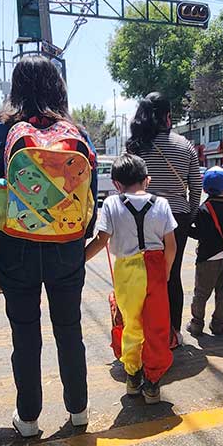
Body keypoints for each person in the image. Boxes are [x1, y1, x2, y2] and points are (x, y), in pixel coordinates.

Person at [0, 55, 97, 437]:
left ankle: (28, 419)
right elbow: (89, 199)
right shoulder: (76, 133)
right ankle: (78, 410)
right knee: (69, 328)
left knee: (24, 331)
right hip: (66, 246)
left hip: (16, 246)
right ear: (57, 87)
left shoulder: (0, 132)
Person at [84, 154, 177, 402]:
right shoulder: (162, 204)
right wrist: (166, 272)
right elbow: (171, 245)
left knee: (132, 324)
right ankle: (153, 383)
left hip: (126, 273)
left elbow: (101, 240)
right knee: (156, 326)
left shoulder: (112, 204)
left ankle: (133, 376)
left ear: (116, 184)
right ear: (146, 180)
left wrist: (78, 260)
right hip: (156, 269)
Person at [125, 92, 202, 347]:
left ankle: (146, 330)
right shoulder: (185, 145)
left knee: (143, 273)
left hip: (143, 215)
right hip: (177, 216)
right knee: (172, 274)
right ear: (168, 116)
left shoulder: (136, 146)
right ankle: (173, 333)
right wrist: (189, 214)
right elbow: (196, 186)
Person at [187, 166, 223, 337]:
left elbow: (199, 233)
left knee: (201, 293)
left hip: (206, 259)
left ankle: (197, 325)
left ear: (204, 189)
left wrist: (187, 230)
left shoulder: (202, 210)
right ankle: (218, 325)